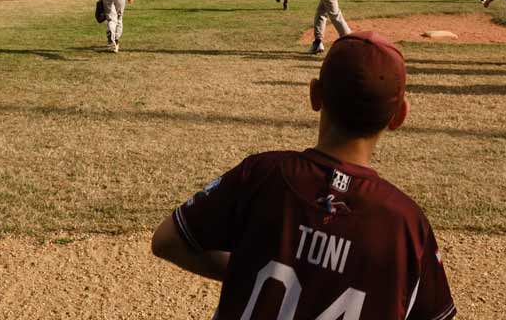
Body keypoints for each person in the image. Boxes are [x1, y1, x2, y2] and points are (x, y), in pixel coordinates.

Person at [151, 31, 456, 320]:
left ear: (315, 95)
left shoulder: (263, 174)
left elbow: (166, 241)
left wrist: (247, 267)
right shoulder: (404, 222)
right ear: (399, 116)